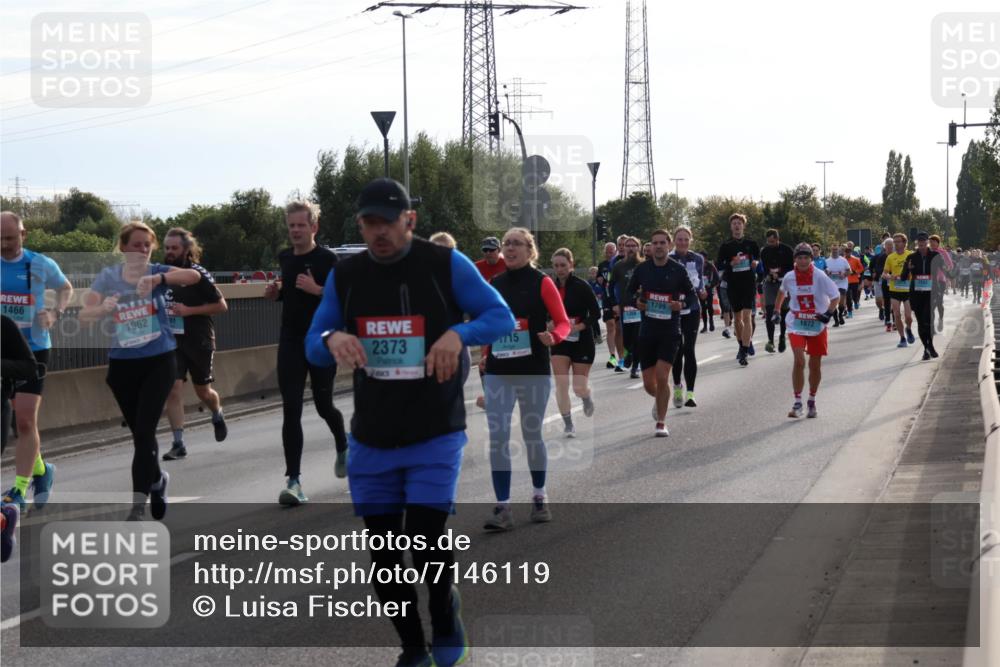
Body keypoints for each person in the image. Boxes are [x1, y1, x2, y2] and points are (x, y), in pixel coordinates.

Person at [306, 178, 514, 667]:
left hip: (434, 429)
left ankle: (445, 625)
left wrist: (457, 335)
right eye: (368, 222)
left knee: (424, 539)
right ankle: (412, 647)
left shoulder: (445, 264)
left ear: (410, 221)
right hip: (373, 434)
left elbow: (499, 316)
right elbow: (312, 339)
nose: (378, 231)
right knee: (384, 556)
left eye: (387, 222)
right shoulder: (347, 274)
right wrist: (333, 338)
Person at [79, 222, 202, 520]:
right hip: (123, 366)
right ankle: (158, 480)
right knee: (141, 437)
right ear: (123, 247)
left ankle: (138, 504)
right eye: (136, 245)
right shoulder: (108, 277)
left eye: (147, 245)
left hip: (158, 361)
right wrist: (104, 308)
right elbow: (84, 316)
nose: (142, 250)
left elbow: (194, 276)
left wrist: (159, 277)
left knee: (145, 431)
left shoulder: (156, 272)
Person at [483, 227, 570, 531]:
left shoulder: (542, 283)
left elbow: (562, 322)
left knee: (531, 435)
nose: (509, 248)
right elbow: (490, 323)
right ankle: (502, 506)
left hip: (532, 368)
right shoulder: (495, 283)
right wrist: (484, 353)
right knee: (497, 438)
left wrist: (554, 337)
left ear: (530, 250)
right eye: (506, 244)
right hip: (498, 370)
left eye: (516, 244)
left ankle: (539, 497)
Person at [263, 201, 348, 505]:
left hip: (322, 339)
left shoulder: (328, 259)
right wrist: (277, 294)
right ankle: (294, 481)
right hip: (290, 340)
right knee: (291, 409)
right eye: (291, 226)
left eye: (301, 225)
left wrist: (317, 289)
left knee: (324, 405)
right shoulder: (285, 257)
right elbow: (289, 290)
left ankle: (343, 444)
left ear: (314, 227)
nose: (296, 231)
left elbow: (344, 298)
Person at [0, 211, 72, 512]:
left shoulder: (41, 263)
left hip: (34, 350)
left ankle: (18, 490)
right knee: (18, 423)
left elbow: (65, 288)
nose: (4, 244)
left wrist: (55, 313)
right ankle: (43, 470)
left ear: (23, 234)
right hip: (3, 352)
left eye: (10, 238)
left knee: (26, 420)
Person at [160, 228, 229, 461]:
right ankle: (178, 443)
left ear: (186, 250)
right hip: (172, 340)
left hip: (199, 339)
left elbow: (221, 306)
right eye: (167, 248)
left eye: (174, 248)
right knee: (173, 388)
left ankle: (217, 412)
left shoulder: (198, 273)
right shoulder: (163, 273)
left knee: (203, 391)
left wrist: (189, 311)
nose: (169, 252)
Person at [627, 230, 694, 436]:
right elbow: (628, 293)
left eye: (662, 243)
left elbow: (692, 297)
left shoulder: (678, 270)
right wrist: (635, 302)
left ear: (669, 244)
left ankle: (661, 423)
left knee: (662, 376)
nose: (658, 246)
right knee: (649, 384)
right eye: (654, 243)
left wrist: (680, 304)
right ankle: (660, 399)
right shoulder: (642, 269)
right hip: (647, 331)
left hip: (670, 331)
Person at [774, 243, 841, 419]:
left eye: (806, 257)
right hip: (796, 323)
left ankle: (811, 399)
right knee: (799, 361)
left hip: (817, 323)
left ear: (811, 259)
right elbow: (782, 293)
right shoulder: (789, 277)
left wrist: (828, 313)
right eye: (799, 258)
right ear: (795, 259)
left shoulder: (820, 276)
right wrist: (776, 311)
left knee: (815, 364)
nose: (803, 261)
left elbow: (835, 296)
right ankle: (797, 403)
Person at [550, 248, 599, 437]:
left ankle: (585, 397)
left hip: (581, 340)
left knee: (578, 387)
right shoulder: (550, 286)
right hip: (560, 340)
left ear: (571, 265)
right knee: (561, 383)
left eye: (563, 265)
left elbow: (596, 313)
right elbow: (542, 311)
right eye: (556, 266)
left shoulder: (581, 286)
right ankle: (568, 424)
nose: (559, 269)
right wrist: (548, 323)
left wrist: (580, 326)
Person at [716, 213, 760, 366]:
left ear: (743, 226)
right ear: (731, 227)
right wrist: (731, 264)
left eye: (739, 223)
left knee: (747, 317)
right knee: (737, 319)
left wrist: (755, 262)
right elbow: (719, 265)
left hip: (748, 283)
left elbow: (758, 259)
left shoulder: (751, 243)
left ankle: (744, 350)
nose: (736, 226)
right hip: (733, 285)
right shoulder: (726, 246)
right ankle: (742, 345)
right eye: (734, 223)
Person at [669, 227, 706, 407]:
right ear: (674, 241)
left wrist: (702, 290)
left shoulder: (697, 258)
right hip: (674, 310)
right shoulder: (668, 259)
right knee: (678, 350)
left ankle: (690, 393)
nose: (682, 242)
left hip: (692, 308)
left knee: (689, 349)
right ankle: (677, 387)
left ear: (690, 240)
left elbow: (699, 281)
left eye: (686, 239)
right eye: (679, 239)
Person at [899, 232, 942, 360]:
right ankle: (926, 348)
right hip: (916, 294)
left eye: (924, 244)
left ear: (927, 243)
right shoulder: (911, 257)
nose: (922, 247)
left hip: (931, 293)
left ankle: (930, 346)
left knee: (928, 321)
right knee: (921, 323)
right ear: (917, 244)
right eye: (919, 244)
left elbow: (945, 269)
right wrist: (909, 269)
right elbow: (903, 277)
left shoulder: (936, 255)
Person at [609, 237, 642, 376]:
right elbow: (610, 286)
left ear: (638, 248)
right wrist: (614, 304)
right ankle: (630, 355)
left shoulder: (644, 264)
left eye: (633, 246)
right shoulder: (618, 266)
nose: (630, 248)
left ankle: (635, 366)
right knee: (627, 338)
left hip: (641, 306)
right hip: (625, 307)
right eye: (628, 246)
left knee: (639, 336)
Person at [759, 228, 793, 353]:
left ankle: (782, 337)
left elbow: (791, 268)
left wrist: (779, 273)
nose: (771, 244)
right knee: (769, 312)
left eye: (773, 241)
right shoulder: (765, 251)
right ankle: (770, 341)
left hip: (784, 283)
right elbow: (765, 267)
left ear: (778, 239)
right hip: (770, 283)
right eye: (769, 242)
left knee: (784, 312)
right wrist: (768, 275)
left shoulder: (787, 250)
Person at [883, 233, 915, 348]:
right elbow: (884, 273)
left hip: (908, 290)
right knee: (896, 314)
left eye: (898, 242)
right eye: (894, 242)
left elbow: (916, 270)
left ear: (904, 243)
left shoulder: (911, 255)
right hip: (894, 289)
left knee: (908, 317)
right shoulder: (890, 257)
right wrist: (890, 276)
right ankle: (902, 338)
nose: (895, 244)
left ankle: (909, 329)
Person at [597, 242, 621, 368]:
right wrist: (599, 280)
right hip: (607, 299)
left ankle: (623, 355)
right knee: (610, 326)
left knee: (620, 328)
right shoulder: (602, 266)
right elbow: (599, 279)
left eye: (611, 251)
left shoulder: (619, 263)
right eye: (607, 251)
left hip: (618, 299)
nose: (609, 254)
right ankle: (612, 356)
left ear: (616, 251)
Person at [929, 235, 953, 332]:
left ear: (938, 243)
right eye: (931, 242)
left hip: (940, 281)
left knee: (939, 303)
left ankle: (941, 319)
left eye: (934, 242)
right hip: (929, 281)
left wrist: (945, 269)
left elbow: (950, 265)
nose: (932, 243)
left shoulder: (943, 252)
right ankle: (932, 327)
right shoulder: (927, 252)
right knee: (931, 305)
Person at [869, 238, 894, 330]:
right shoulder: (880, 257)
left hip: (895, 281)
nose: (890, 247)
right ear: (884, 247)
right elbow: (877, 268)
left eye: (891, 245)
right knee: (883, 301)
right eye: (888, 245)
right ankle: (884, 314)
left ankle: (893, 321)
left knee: (893, 301)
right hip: (882, 281)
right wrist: (884, 273)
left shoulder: (896, 256)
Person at [824, 245, 851, 327]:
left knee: (841, 301)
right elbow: (824, 272)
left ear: (838, 250)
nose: (835, 251)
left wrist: (844, 274)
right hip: (831, 284)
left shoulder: (843, 260)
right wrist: (827, 273)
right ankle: (836, 320)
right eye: (833, 249)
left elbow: (849, 271)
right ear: (831, 250)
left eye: (836, 249)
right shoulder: (827, 261)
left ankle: (840, 314)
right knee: (832, 302)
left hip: (842, 283)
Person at [701, 257, 719, 333]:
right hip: (701, 290)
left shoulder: (711, 266)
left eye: (703, 258)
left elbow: (717, 278)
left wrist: (711, 285)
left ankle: (711, 321)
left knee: (709, 306)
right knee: (703, 307)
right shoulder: (697, 265)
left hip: (709, 289)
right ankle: (705, 326)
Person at [586, 266, 604, 342]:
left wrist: (600, 295)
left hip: (599, 303)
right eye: (591, 273)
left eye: (594, 273)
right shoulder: (587, 283)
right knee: (593, 319)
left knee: (595, 319)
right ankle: (594, 336)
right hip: (590, 303)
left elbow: (603, 292)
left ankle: (598, 335)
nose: (593, 275)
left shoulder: (600, 282)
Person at [846, 247, 865, 314]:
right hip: (846, 281)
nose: (848, 254)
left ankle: (856, 302)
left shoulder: (856, 259)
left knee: (854, 294)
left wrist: (856, 272)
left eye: (849, 252)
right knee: (848, 296)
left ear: (851, 252)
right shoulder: (843, 260)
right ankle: (850, 311)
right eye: (846, 252)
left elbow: (861, 268)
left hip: (854, 280)